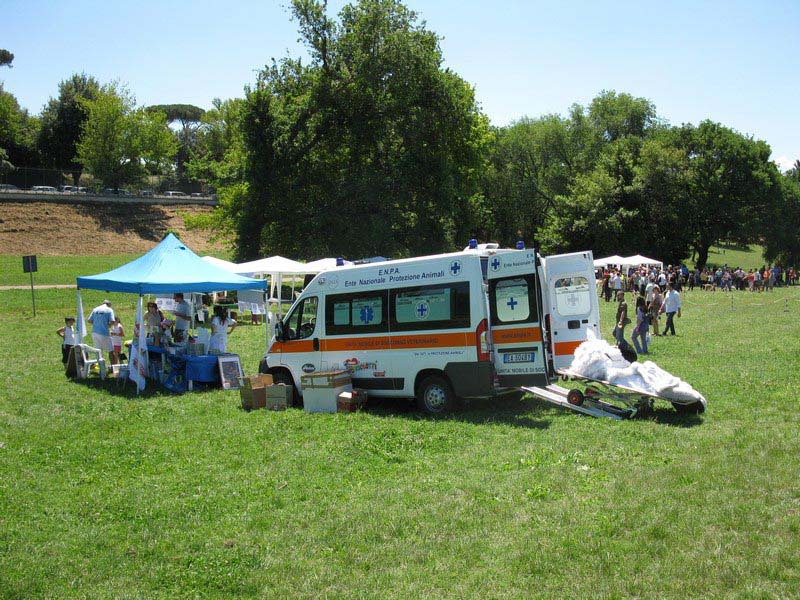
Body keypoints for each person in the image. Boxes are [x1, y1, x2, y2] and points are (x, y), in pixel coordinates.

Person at [88, 299, 116, 364]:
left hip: (95, 332)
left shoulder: (95, 309)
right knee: (111, 350)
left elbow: (89, 320)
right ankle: (113, 367)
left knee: (98, 351)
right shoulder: (109, 310)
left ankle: (101, 367)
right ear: (109, 305)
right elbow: (112, 321)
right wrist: (108, 325)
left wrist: (96, 324)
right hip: (104, 332)